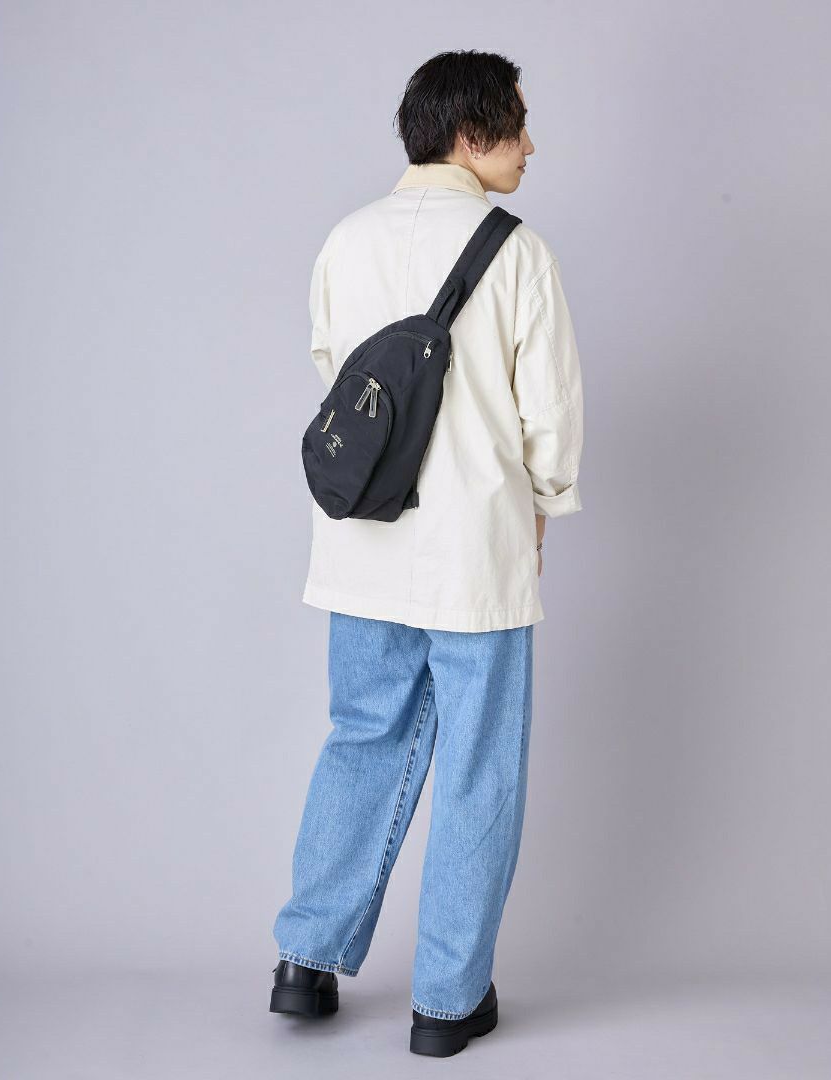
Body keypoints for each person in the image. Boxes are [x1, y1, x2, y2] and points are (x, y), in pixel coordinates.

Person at [270, 49, 585, 1057]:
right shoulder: (519, 253)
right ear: (470, 131)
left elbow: (337, 375)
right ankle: (447, 1004)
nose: (531, 146)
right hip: (475, 551)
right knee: (477, 769)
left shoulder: (346, 238)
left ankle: (304, 963)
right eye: (518, 126)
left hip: (361, 541)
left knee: (362, 736)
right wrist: (545, 507)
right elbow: (551, 414)